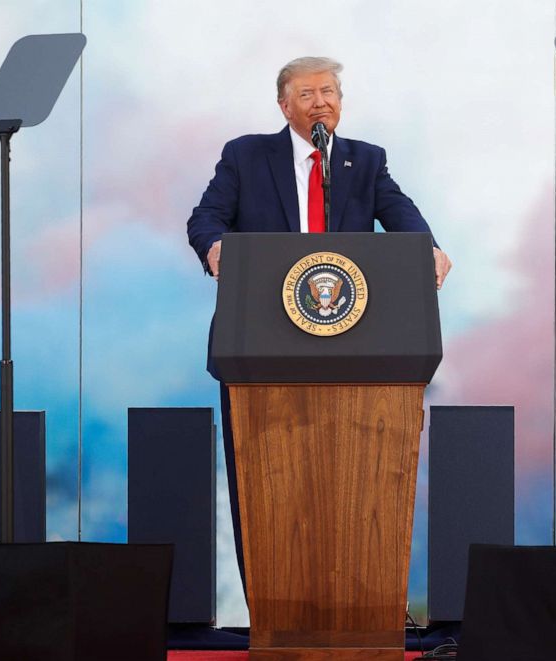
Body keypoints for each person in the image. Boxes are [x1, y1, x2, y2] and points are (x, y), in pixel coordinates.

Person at [186, 56, 452, 591]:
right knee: (267, 486)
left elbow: (400, 214)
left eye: (329, 92)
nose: (320, 103)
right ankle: (272, 602)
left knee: (350, 486)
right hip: (260, 345)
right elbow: (206, 216)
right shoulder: (246, 155)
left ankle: (359, 602)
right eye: (306, 95)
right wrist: (216, 248)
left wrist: (432, 250)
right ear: (284, 106)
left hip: (353, 346)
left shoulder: (365, 161)